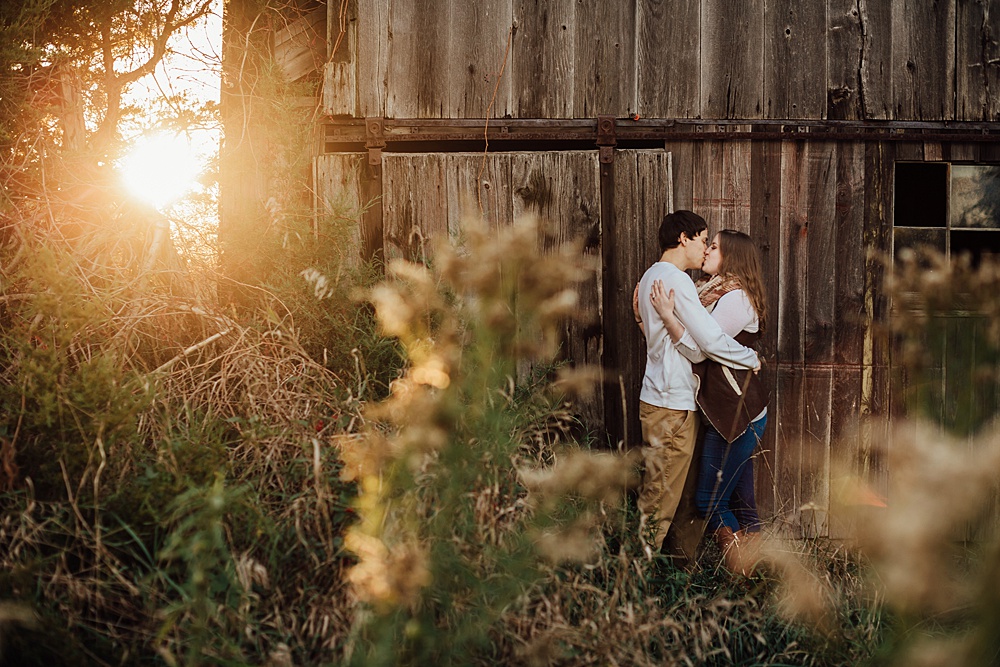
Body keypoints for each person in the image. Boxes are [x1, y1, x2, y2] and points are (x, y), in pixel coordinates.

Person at [634, 212, 759, 556]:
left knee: (682, 497)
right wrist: (750, 358)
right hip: (671, 402)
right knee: (660, 497)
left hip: (663, 398)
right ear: (685, 238)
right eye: (703, 239)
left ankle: (680, 573)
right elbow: (709, 343)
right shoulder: (678, 280)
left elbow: (682, 342)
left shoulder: (650, 277)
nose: (704, 248)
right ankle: (632, 578)